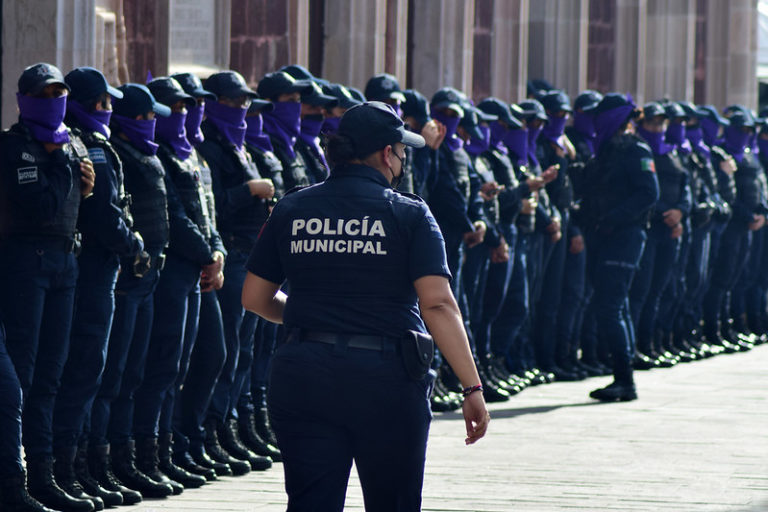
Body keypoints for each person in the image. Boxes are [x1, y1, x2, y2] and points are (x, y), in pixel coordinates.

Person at [242, 101, 489, 511]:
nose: (405, 159)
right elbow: (439, 305)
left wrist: (312, 317)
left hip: (304, 373)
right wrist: (472, 387)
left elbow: (254, 298)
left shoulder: (293, 207)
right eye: (403, 150)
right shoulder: (408, 213)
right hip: (386, 379)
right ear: (385, 153)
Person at [0, 62, 96, 512]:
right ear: (25, 100)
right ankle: (13, 478)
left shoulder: (70, 142)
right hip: (26, 264)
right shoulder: (15, 147)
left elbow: (79, 198)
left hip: (65, 263)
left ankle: (45, 475)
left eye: (60, 92)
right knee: (23, 373)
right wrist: (63, 166)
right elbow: (40, 206)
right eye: (44, 93)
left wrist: (84, 183)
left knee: (52, 376)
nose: (54, 100)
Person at [53, 66, 144, 509]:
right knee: (84, 369)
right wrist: (135, 245)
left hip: (99, 270)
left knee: (95, 370)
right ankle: (66, 469)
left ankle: (84, 466)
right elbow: (105, 216)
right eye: (104, 102)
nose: (109, 109)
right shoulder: (87, 143)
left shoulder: (93, 141)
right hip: (93, 270)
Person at [582, 93, 659, 402]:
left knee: (612, 306)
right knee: (617, 305)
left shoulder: (635, 149)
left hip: (625, 237)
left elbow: (648, 194)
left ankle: (624, 380)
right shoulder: (606, 151)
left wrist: (613, 218)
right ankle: (623, 378)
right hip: (606, 237)